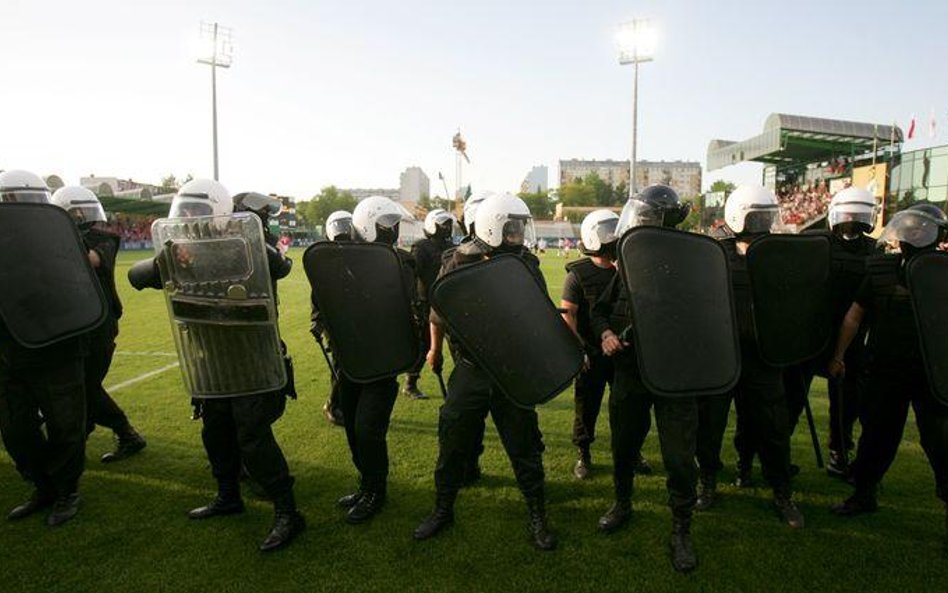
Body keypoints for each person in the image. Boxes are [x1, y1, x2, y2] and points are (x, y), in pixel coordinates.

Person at [128, 179, 303, 552]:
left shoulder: (247, 247)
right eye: (186, 212)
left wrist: (242, 238)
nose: (191, 220)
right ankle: (228, 496)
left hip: (253, 360)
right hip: (212, 364)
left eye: (198, 212)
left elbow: (278, 263)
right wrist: (166, 258)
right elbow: (136, 277)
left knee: (253, 438)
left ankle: (288, 511)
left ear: (221, 214)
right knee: (216, 433)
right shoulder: (179, 252)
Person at [414, 192, 557, 551]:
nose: (518, 234)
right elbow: (438, 311)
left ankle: (537, 514)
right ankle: (443, 509)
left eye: (520, 227)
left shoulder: (527, 264)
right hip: (472, 369)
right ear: (493, 225)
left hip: (512, 371)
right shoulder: (458, 261)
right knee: (452, 440)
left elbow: (540, 313)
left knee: (524, 445)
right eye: (512, 227)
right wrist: (434, 348)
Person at [590, 185, 706, 572]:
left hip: (676, 377)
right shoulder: (627, 267)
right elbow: (600, 312)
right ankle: (622, 503)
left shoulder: (690, 265)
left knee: (678, 458)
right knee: (624, 447)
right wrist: (606, 333)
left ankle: (681, 528)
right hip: (630, 373)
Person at [829, 204, 948, 547]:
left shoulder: (938, 273)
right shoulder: (883, 270)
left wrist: (838, 356)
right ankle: (864, 494)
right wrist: (838, 356)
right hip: (886, 370)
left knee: (940, 442)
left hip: (931, 374)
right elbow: (855, 315)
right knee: (877, 437)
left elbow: (853, 317)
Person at [713, 185, 805, 528]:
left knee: (773, 428)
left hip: (764, 358)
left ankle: (781, 492)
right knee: (711, 425)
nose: (764, 223)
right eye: (758, 216)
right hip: (722, 355)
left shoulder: (780, 254)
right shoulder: (715, 253)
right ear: (740, 216)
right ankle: (708, 481)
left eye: (768, 215)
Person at [0, 170, 88, 526]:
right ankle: (42, 486)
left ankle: (67, 491)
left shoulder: (59, 240)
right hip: (10, 352)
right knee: (15, 430)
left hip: (57, 349)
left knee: (66, 427)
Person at [331, 196, 419, 524]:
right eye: (387, 225)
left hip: (381, 361)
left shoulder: (402, 263)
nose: (394, 231)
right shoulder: (343, 260)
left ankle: (376, 493)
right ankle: (365, 484)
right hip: (351, 359)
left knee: (368, 430)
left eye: (394, 225)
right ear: (368, 224)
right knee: (353, 427)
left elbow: (404, 307)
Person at [783, 187, 879, 478]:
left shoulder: (875, 250)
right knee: (792, 398)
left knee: (847, 401)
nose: (852, 223)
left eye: (858, 217)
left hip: (850, 337)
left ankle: (840, 449)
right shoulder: (813, 243)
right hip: (811, 333)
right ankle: (780, 452)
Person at [50, 186, 147, 463]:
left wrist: (58, 238)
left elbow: (92, 260)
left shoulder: (105, 238)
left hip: (100, 324)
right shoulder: (57, 239)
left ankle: (126, 433)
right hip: (72, 324)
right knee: (78, 386)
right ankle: (90, 429)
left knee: (86, 386)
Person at [560, 209, 619, 480]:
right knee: (587, 406)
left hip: (622, 350)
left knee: (628, 407)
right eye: (608, 231)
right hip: (591, 353)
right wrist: (578, 350)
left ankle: (631, 452)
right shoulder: (578, 274)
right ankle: (583, 452)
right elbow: (568, 314)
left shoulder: (626, 269)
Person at [404, 208, 458, 400]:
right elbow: (413, 274)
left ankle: (461, 386)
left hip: (448, 305)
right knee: (425, 345)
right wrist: (415, 302)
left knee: (457, 345)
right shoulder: (422, 247)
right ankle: (410, 384)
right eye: (443, 224)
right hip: (426, 304)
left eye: (449, 224)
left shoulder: (453, 247)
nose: (447, 228)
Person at [312, 210, 353, 427]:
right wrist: (317, 322)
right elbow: (317, 296)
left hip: (353, 319)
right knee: (341, 368)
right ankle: (332, 404)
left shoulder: (359, 255)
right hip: (334, 321)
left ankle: (346, 403)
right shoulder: (323, 259)